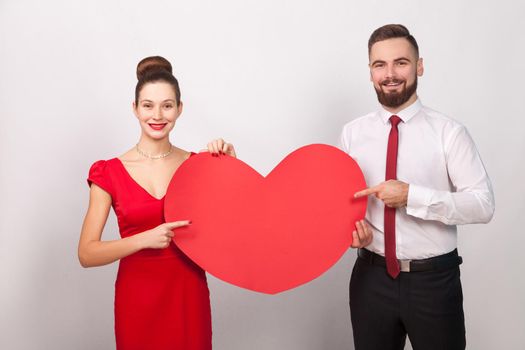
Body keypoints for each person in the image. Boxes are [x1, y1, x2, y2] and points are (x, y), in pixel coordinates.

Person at [340, 24, 495, 350]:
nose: (390, 73)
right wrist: (351, 231)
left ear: (419, 66)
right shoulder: (352, 135)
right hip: (370, 279)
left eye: (401, 62)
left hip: (433, 282)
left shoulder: (449, 133)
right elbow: (340, 204)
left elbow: (483, 204)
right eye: (379, 65)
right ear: (370, 72)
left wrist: (412, 196)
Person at [78, 56, 235, 350]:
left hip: (187, 295)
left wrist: (229, 166)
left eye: (167, 105)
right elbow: (87, 253)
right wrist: (145, 239)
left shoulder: (198, 165)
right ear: (135, 109)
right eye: (148, 105)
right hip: (137, 298)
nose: (157, 115)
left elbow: (233, 228)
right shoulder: (108, 172)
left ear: (179, 109)